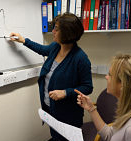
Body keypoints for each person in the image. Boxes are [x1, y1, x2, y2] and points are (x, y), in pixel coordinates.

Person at [10, 13, 93, 141]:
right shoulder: (55, 47)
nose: (53, 31)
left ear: (67, 33)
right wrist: (24, 41)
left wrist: (65, 92)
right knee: (55, 136)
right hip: (50, 109)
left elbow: (87, 87)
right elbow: (42, 49)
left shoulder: (80, 58)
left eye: (57, 28)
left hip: (68, 115)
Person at [76, 54, 131, 141]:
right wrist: (91, 109)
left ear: (123, 84)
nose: (106, 77)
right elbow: (109, 135)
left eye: (110, 75)